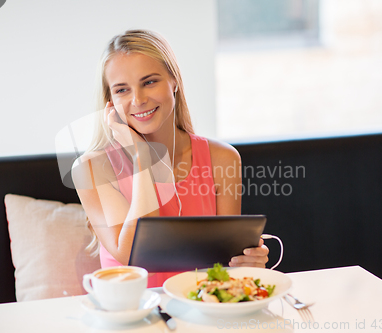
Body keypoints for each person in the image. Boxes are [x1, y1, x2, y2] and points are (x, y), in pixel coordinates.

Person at [73, 29, 269, 287]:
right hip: (132, 316)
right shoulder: (91, 168)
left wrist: (246, 261)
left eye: (150, 82)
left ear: (173, 81)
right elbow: (135, 257)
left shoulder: (223, 159)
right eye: (122, 90)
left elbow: (225, 266)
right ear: (110, 101)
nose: (138, 99)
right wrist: (142, 158)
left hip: (200, 312)